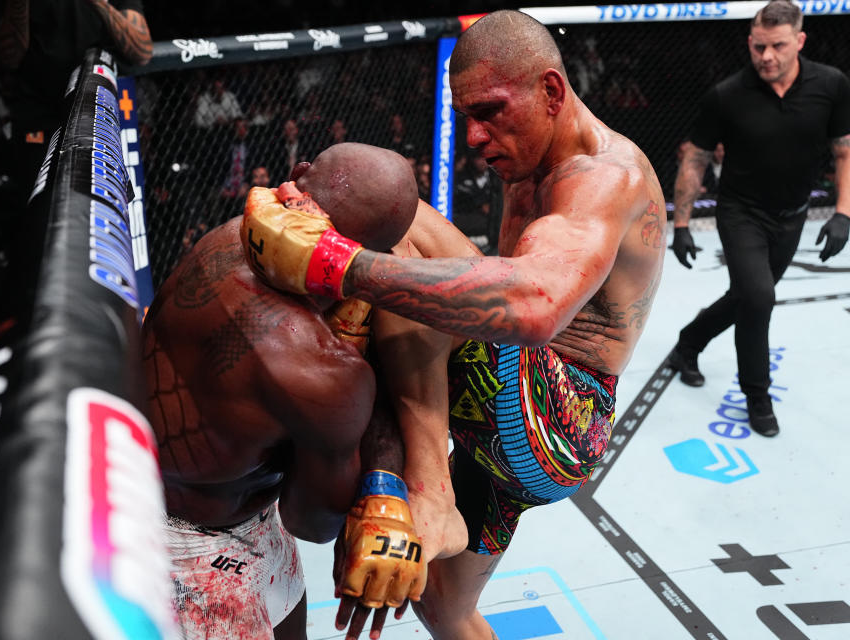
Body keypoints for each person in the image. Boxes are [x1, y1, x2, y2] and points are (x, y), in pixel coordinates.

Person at [241, 10, 667, 639]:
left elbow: (533, 307)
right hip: (505, 435)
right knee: (443, 607)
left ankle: (427, 487)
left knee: (398, 214)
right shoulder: (529, 159)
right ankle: (429, 489)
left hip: (556, 423)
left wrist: (338, 265)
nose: (474, 136)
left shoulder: (603, 178)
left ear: (551, 92)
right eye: (466, 116)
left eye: (490, 110)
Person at [142, 143, 432, 640]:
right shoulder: (322, 370)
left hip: (241, 513)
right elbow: (313, 522)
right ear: (376, 259)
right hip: (180, 542)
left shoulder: (227, 234)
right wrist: (379, 488)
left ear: (297, 177)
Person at [668, 0, 850, 437]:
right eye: (758, 46)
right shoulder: (727, 95)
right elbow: (693, 161)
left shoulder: (831, 84)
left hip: (793, 216)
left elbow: (844, 150)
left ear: (799, 41)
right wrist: (681, 224)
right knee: (759, 299)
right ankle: (757, 396)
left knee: (750, 297)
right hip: (741, 213)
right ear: (750, 43)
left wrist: (843, 213)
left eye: (777, 46)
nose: (767, 56)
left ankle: (688, 343)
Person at [0, 0, 153, 323]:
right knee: (36, 223)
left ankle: (106, 321)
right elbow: (8, 56)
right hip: (38, 115)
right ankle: (35, 324)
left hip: (98, 113)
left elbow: (142, 50)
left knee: (108, 218)